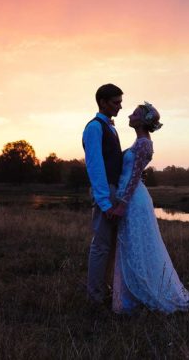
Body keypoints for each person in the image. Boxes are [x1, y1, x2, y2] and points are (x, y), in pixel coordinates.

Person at [110, 102, 189, 315]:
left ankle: (143, 293)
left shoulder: (144, 143)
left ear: (142, 120)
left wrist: (122, 204)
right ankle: (128, 297)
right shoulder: (139, 142)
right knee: (130, 245)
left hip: (134, 201)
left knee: (136, 244)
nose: (129, 115)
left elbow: (134, 178)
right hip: (130, 197)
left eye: (134, 113)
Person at [83, 83, 124, 304]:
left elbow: (111, 159)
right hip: (105, 192)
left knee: (110, 247)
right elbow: (95, 166)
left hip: (113, 190)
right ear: (102, 102)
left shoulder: (110, 127)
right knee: (100, 246)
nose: (120, 107)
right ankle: (95, 297)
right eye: (115, 102)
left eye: (120, 102)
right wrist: (105, 202)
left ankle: (105, 290)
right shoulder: (94, 127)